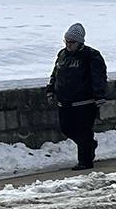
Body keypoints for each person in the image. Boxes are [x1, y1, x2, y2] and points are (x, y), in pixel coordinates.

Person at [46, 22, 108, 170]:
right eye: (66, 41)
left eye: (71, 42)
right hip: (65, 102)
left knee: (83, 130)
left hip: (85, 102)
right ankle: (89, 146)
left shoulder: (91, 56)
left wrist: (99, 95)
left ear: (80, 42)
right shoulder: (62, 55)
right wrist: (50, 89)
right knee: (67, 128)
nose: (68, 45)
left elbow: (98, 76)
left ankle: (85, 161)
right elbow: (56, 74)